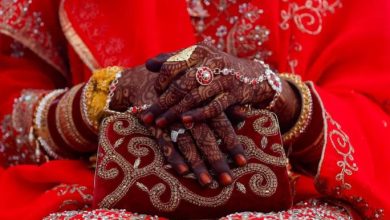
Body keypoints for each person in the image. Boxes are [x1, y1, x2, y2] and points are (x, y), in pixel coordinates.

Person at [0, 0, 389, 219]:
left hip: (304, 192)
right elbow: (7, 122)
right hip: (104, 189)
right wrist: (109, 95)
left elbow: (379, 118)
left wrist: (278, 95)